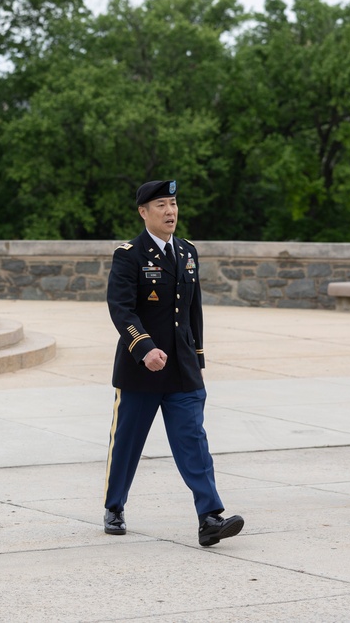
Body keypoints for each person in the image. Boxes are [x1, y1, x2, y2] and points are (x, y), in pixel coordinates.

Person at [103, 179, 244, 546]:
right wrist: (144, 347)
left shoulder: (186, 252)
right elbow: (121, 309)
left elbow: (193, 310)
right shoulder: (128, 254)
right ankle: (114, 506)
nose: (170, 211)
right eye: (162, 205)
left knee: (193, 440)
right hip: (141, 371)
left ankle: (210, 517)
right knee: (128, 443)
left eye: (174, 203)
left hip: (182, 369)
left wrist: (197, 357)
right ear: (143, 212)